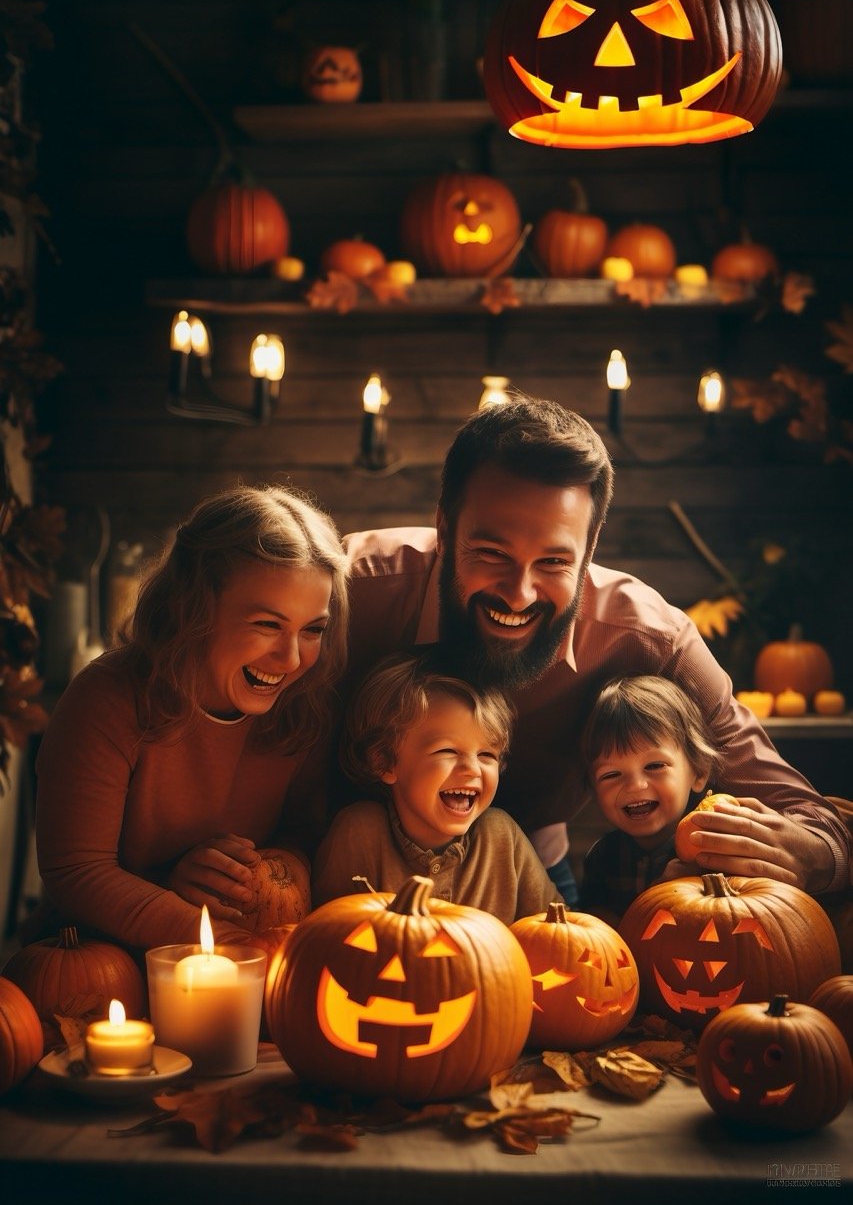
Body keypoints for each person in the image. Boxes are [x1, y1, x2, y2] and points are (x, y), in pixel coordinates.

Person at [333, 395, 851, 904]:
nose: (520, 593)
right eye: (492, 553)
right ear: (445, 526)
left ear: (591, 546)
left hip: (527, 869)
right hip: (349, 869)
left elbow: (806, 815)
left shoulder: (652, 638)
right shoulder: (342, 592)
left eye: (555, 562)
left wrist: (810, 854)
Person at [34, 484, 349, 951]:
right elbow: (76, 871)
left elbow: (302, 834)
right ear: (192, 609)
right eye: (267, 624)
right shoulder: (107, 698)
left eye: (312, 630)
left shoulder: (305, 707)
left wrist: (272, 871)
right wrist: (214, 934)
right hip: (103, 959)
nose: (290, 658)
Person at [312, 652, 561, 924]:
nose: (472, 769)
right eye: (447, 750)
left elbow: (558, 934)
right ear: (384, 761)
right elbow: (324, 937)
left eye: (487, 755)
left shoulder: (502, 836)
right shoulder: (359, 832)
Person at [578, 675, 723, 920]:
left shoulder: (711, 848)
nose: (635, 786)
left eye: (655, 766)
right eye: (611, 774)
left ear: (699, 771)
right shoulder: (603, 857)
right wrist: (661, 892)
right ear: (593, 788)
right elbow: (600, 935)